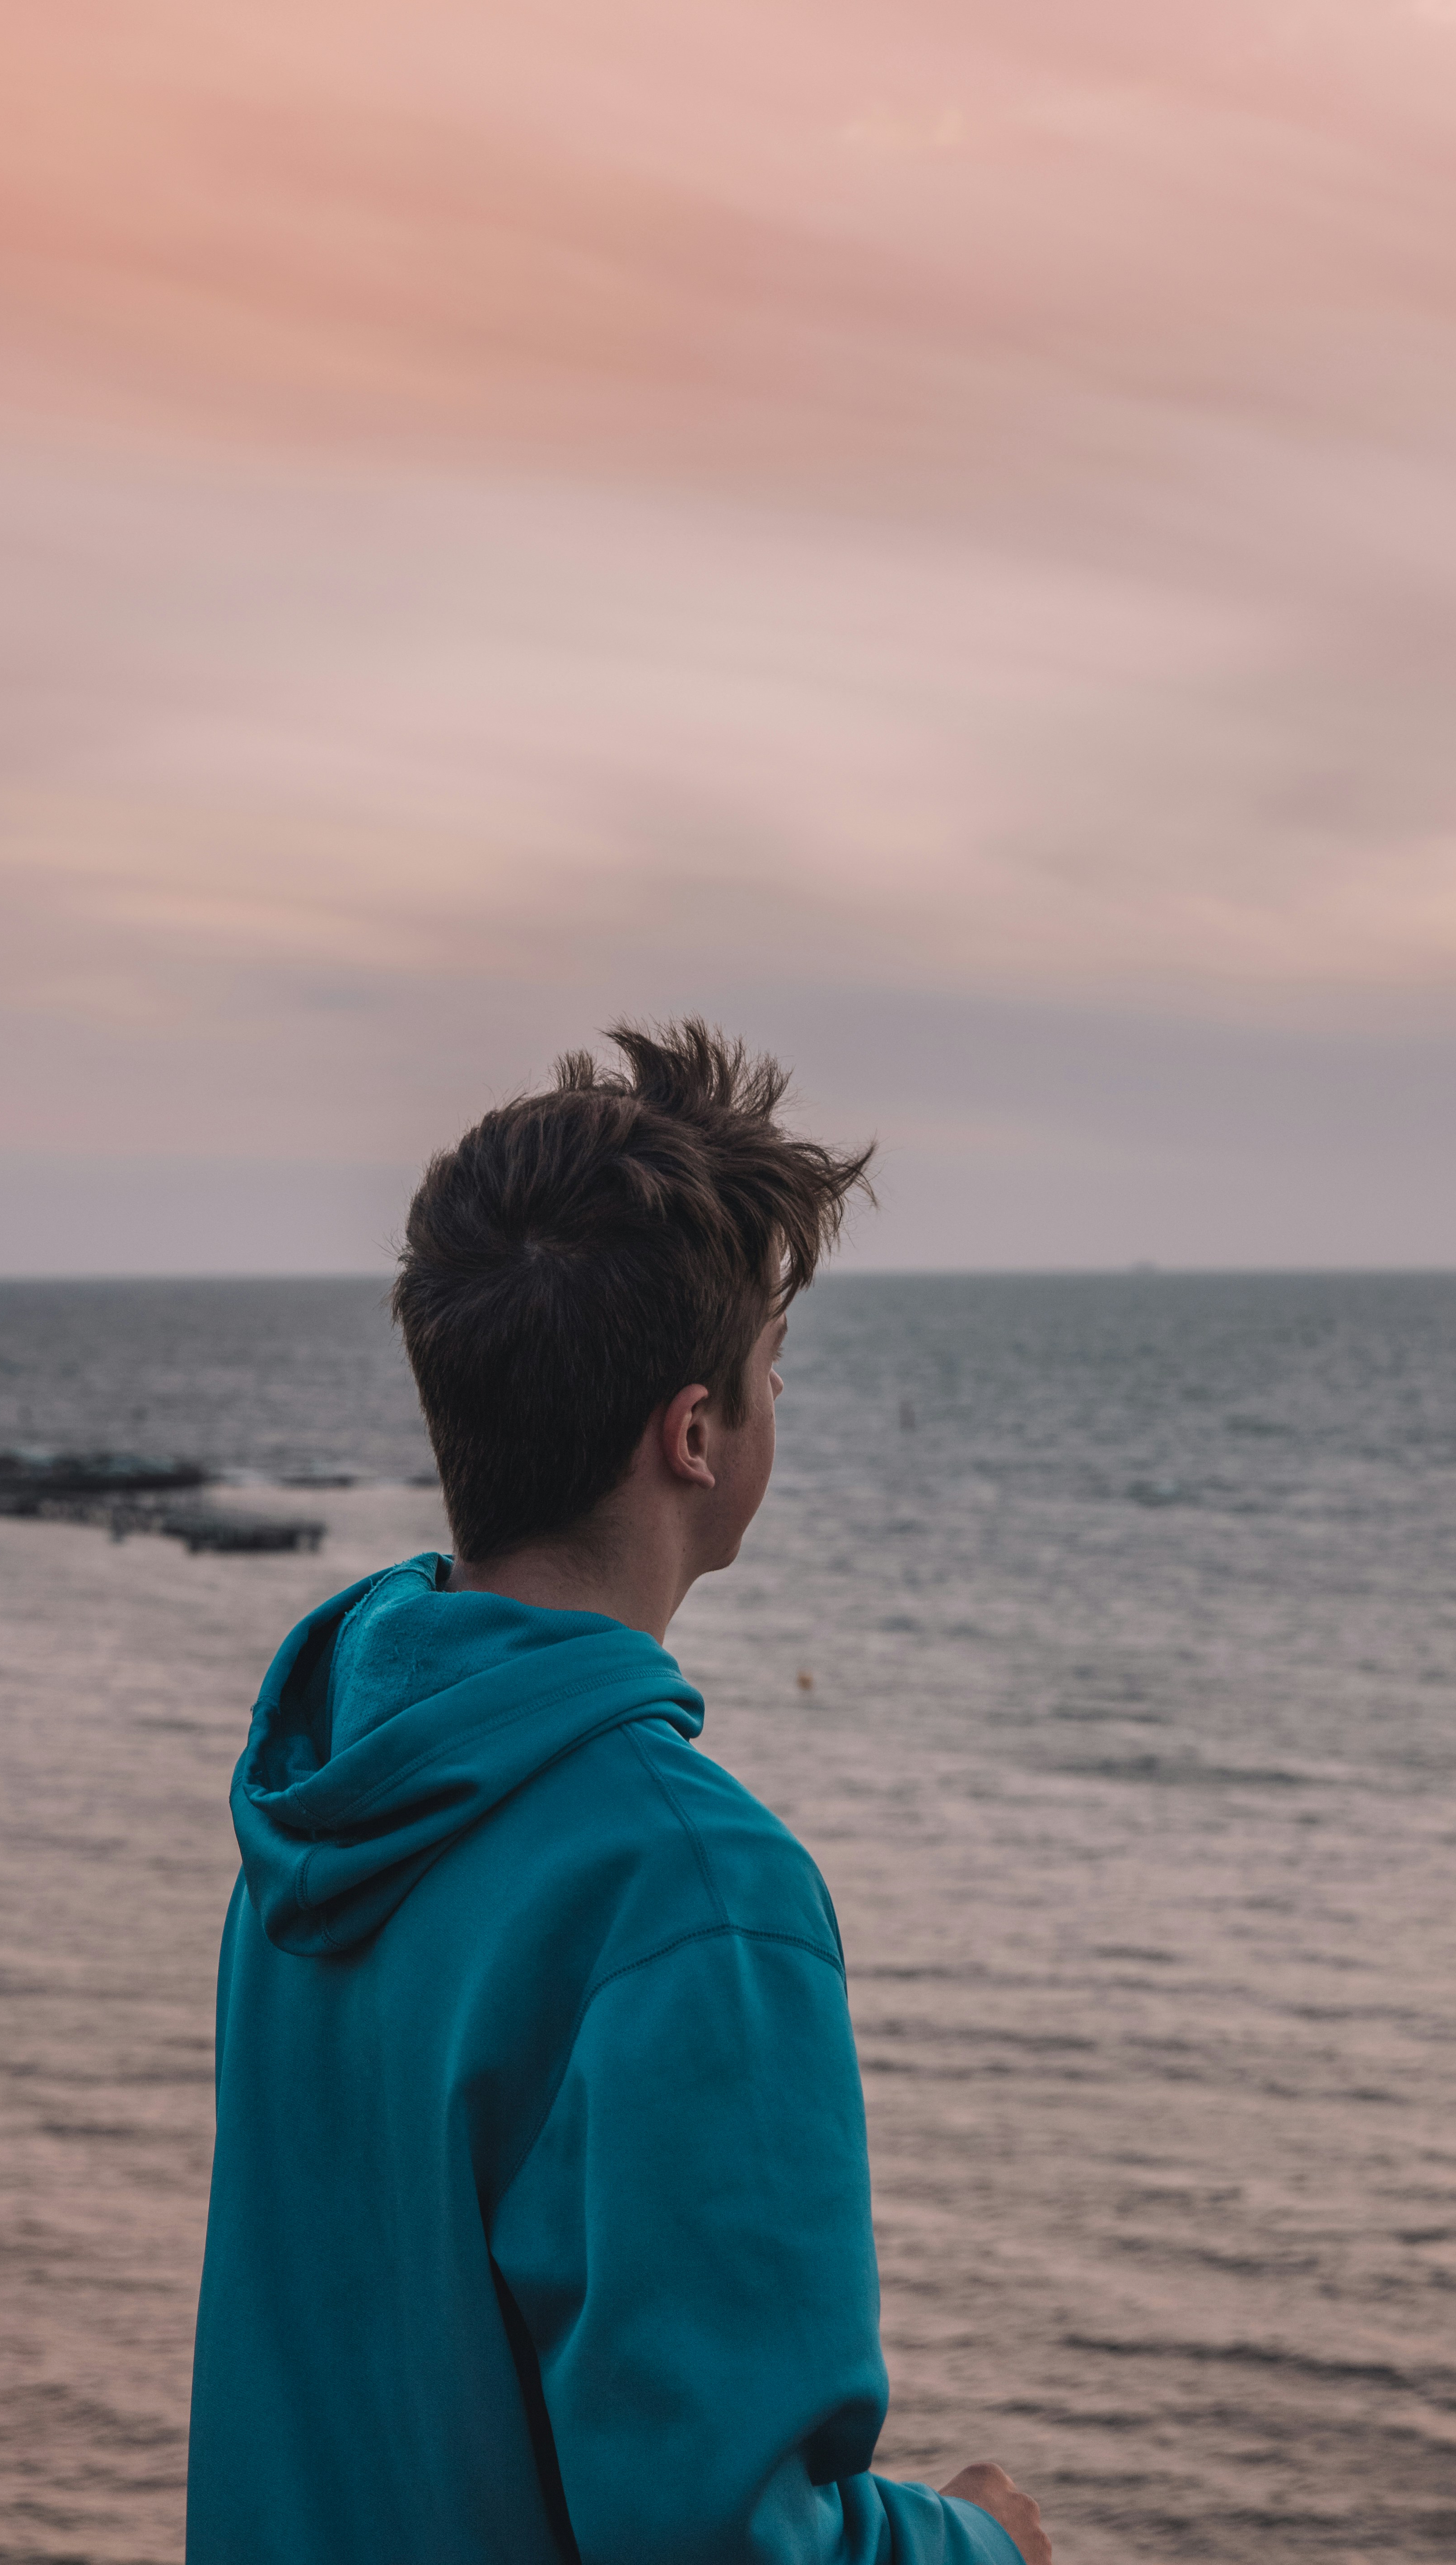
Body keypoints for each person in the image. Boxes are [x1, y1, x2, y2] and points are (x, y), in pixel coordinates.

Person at [186, 1021, 1051, 2565]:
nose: (779, 1408)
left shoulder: (319, 1786)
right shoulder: (694, 1892)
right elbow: (722, 2541)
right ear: (697, 1433)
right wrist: (986, 2547)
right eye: (772, 1373)